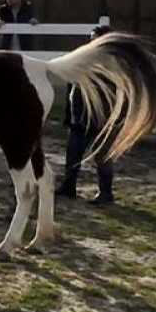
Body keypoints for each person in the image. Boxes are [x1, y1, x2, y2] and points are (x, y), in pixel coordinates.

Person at [57, 26, 116, 204]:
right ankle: (69, 187)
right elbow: (72, 85)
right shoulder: (84, 58)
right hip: (79, 116)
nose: (91, 42)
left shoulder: (111, 62)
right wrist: (69, 115)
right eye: (91, 38)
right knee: (73, 154)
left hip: (100, 118)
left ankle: (106, 193)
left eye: (95, 39)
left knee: (102, 157)